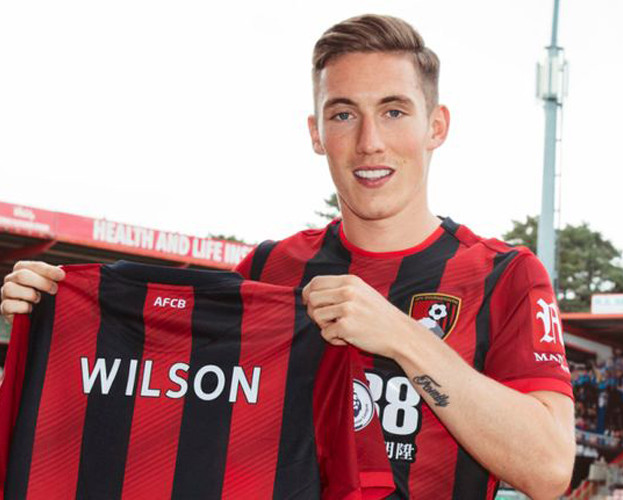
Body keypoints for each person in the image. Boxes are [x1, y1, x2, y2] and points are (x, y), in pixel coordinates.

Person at [1, 14, 575, 499]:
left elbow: (549, 471)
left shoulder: (505, 276)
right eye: (343, 114)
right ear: (316, 133)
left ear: (437, 126)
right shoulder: (266, 272)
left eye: (394, 111)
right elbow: (156, 394)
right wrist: (61, 313)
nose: (370, 141)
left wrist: (403, 336)